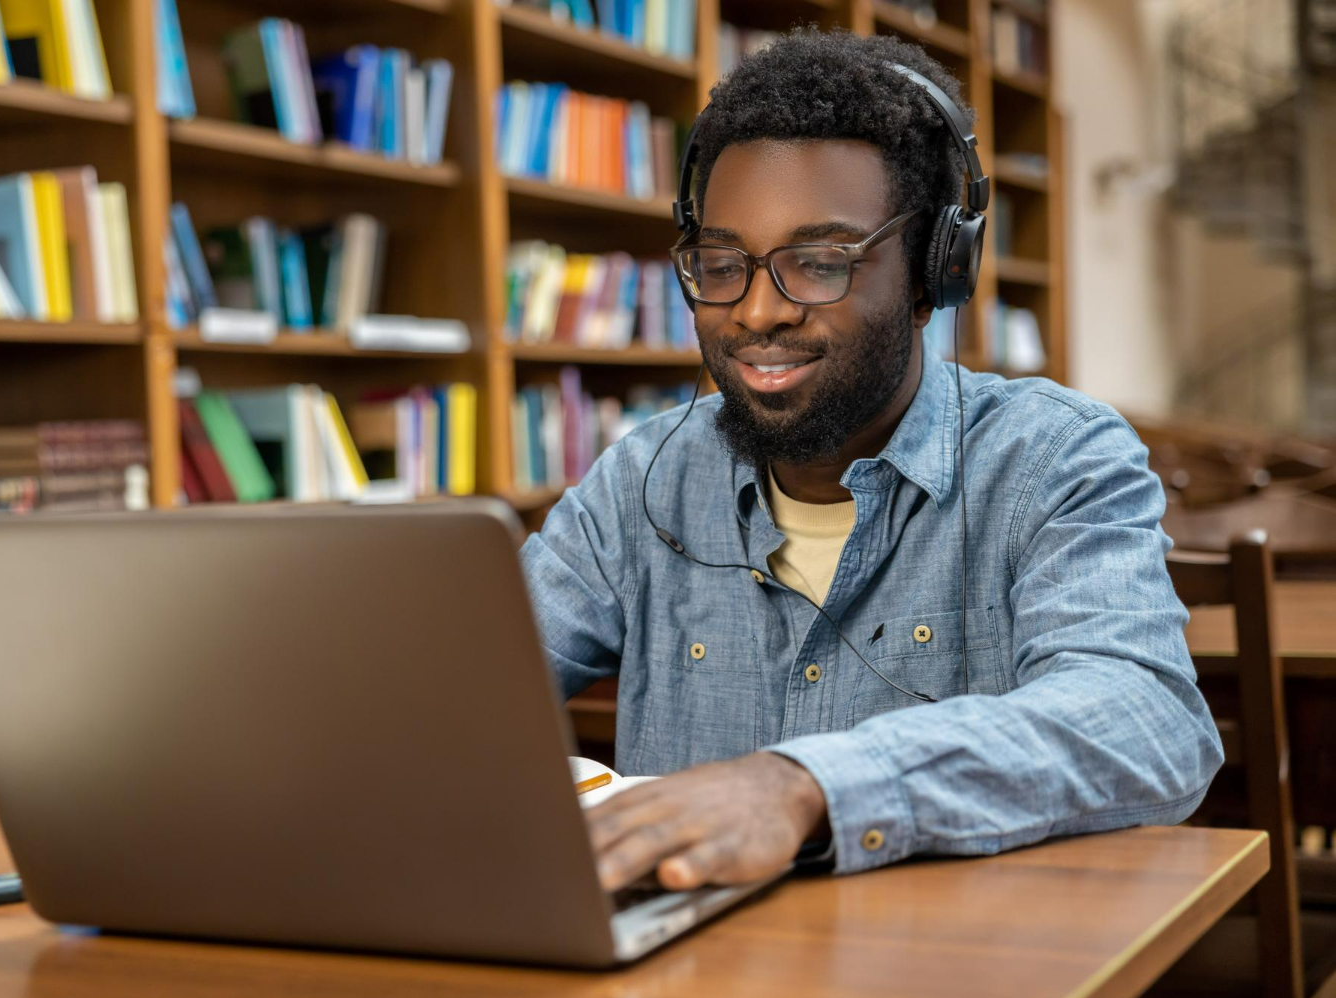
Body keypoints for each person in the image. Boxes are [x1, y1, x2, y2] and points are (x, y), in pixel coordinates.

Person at [519, 27, 1223, 894]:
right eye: (722, 263)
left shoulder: (1053, 458)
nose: (757, 312)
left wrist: (803, 786)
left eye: (819, 263)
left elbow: (1145, 726)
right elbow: (452, 682)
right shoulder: (643, 481)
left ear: (935, 272)